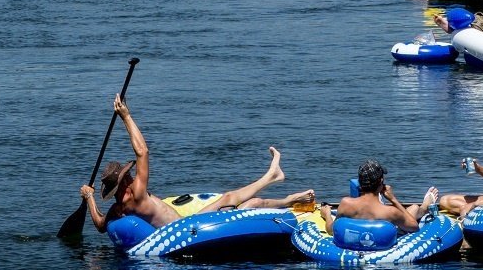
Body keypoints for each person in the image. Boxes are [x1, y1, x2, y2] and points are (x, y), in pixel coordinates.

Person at [80, 95, 314, 233]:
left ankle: (274, 179)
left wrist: (89, 197)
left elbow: (100, 225)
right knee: (236, 200)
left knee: (239, 201)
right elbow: (143, 152)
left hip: (181, 224)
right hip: (186, 228)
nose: (130, 177)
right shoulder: (137, 193)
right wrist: (127, 117)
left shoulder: (118, 209)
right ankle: (281, 190)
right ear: (123, 183)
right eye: (126, 176)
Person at [320, 160, 439, 234]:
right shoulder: (390, 212)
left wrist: (327, 214)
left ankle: (422, 208)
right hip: (382, 237)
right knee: (413, 208)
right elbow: (414, 226)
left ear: (360, 183)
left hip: (357, 240)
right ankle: (424, 208)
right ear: (381, 182)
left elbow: (331, 230)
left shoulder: (346, 204)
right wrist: (393, 199)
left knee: (412, 208)